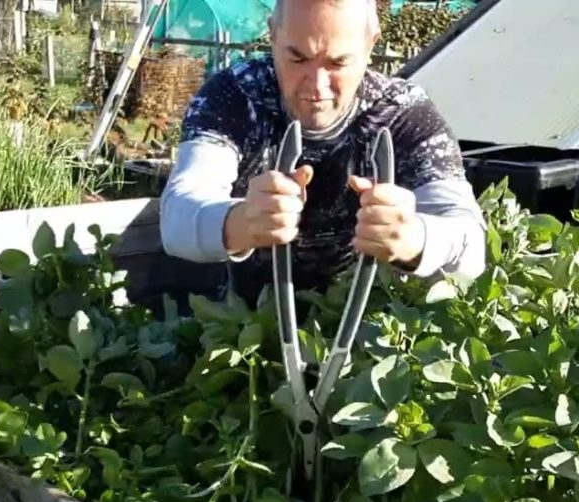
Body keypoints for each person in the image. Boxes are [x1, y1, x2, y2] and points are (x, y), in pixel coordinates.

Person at [158, 0, 487, 307]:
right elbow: (178, 216)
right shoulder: (237, 97)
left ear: (370, 44)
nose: (316, 85)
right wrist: (242, 221)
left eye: (338, 62)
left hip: (367, 327)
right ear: (273, 35)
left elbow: (470, 245)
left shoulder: (401, 114)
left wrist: (415, 238)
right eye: (297, 58)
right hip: (244, 322)